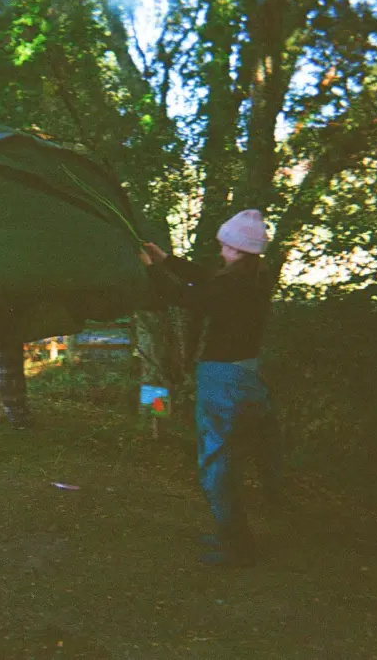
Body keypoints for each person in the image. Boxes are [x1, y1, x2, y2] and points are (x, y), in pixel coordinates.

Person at [139, 209, 280, 567]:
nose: (220, 251)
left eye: (224, 246)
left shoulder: (231, 286)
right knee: (229, 457)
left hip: (224, 378)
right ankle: (235, 534)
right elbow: (205, 280)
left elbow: (187, 297)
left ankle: (235, 544)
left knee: (217, 461)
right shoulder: (255, 279)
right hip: (247, 375)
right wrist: (166, 259)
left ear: (237, 250)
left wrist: (153, 269)